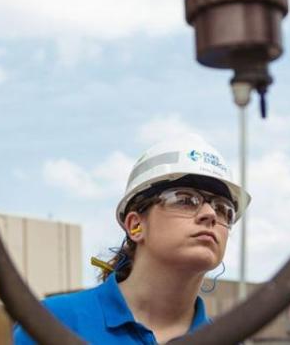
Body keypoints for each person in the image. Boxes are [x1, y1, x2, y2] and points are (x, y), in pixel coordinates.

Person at [13, 134, 250, 344]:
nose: (210, 215)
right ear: (135, 225)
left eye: (223, 209)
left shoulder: (225, 340)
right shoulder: (55, 322)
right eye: (185, 200)